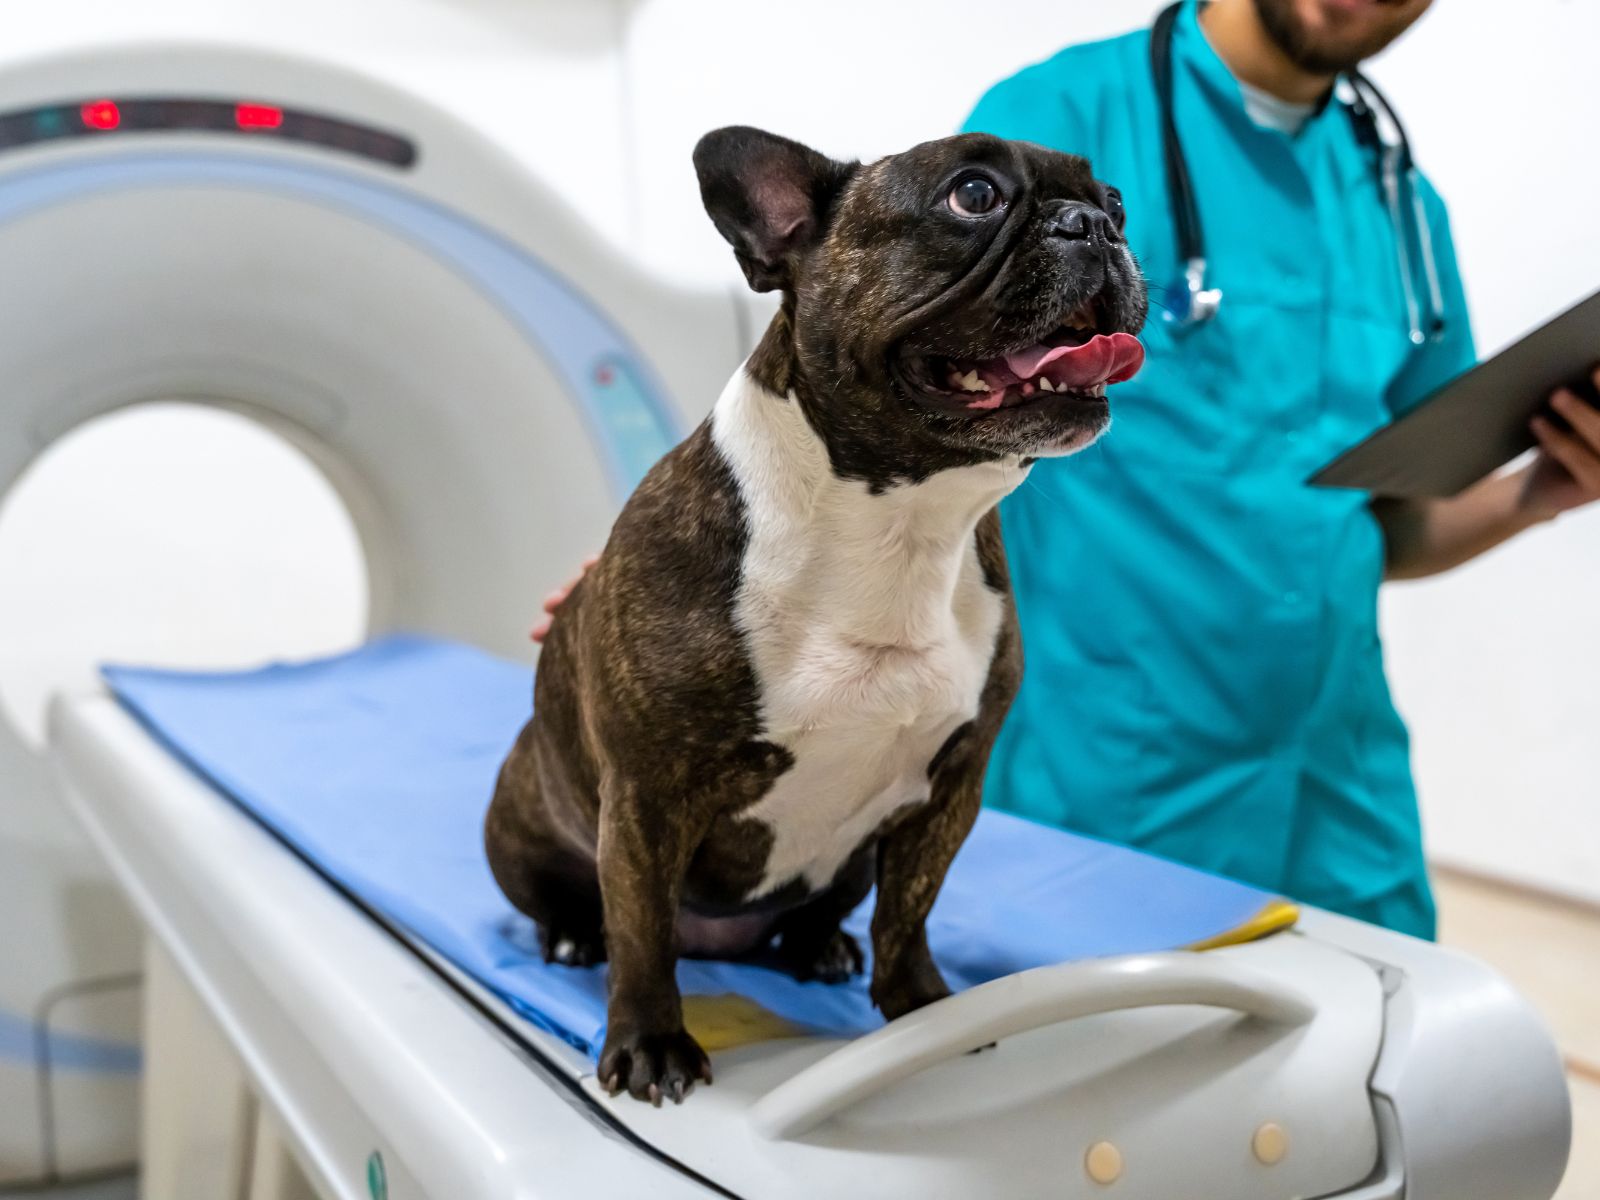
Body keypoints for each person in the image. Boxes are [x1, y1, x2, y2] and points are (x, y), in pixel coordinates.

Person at [960, 0, 1600, 937]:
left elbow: (1389, 527)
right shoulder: (1057, 124)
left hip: (1338, 803)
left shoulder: (1400, 208)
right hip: (1109, 791)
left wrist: (1540, 495)